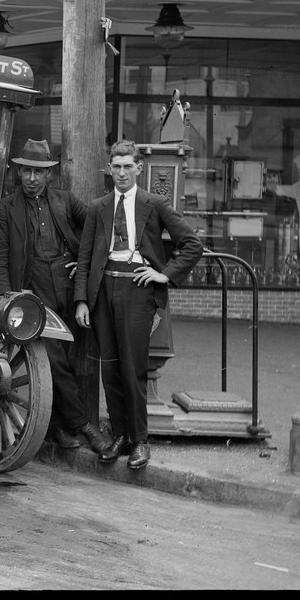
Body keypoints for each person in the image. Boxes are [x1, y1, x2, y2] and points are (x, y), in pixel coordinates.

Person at [73, 140, 202, 470]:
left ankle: (141, 441)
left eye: (128, 166)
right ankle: (120, 436)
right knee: (110, 368)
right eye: (116, 167)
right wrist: (83, 301)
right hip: (103, 292)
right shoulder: (98, 207)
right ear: (109, 169)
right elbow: (85, 258)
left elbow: (191, 244)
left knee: (133, 368)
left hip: (137, 290)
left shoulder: (154, 203)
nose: (121, 173)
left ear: (139, 168)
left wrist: (164, 275)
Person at [0, 139, 109, 454]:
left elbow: (98, 228)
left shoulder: (66, 201)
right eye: (26, 171)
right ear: (18, 172)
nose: (31, 178)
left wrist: (82, 262)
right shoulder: (5, 208)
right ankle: (83, 425)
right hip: (32, 291)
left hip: (68, 286)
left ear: (49, 175)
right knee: (53, 357)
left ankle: (54, 427)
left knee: (66, 360)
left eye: (38, 172)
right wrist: (9, 301)